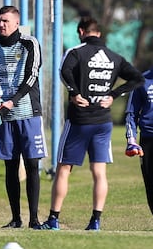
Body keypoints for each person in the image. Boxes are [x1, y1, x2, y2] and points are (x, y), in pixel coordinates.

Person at [40, 16, 144, 231]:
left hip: (79, 120)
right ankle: (95, 221)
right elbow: (137, 79)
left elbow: (64, 71)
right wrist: (114, 94)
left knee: (64, 169)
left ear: (81, 32)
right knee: (99, 172)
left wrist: (74, 93)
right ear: (99, 33)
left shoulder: (77, 52)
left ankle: (53, 219)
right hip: (103, 122)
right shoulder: (114, 57)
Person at [0, 5, 48, 229]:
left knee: (31, 164)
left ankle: (34, 219)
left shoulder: (30, 43)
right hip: (4, 116)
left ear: (17, 23)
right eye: (0, 20)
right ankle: (16, 218)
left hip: (28, 112)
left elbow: (32, 75)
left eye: (6, 21)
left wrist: (12, 100)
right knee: (10, 166)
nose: (2, 24)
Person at [125, 68, 153, 214]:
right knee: (150, 184)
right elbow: (132, 113)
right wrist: (131, 139)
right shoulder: (142, 80)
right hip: (148, 140)